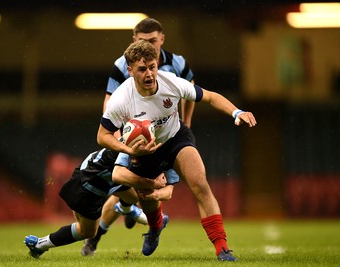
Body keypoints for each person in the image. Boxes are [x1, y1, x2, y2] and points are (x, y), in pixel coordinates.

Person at [97, 40, 257, 261]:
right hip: (145, 152)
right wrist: (128, 149)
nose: (149, 74)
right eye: (142, 69)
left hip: (175, 138)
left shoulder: (170, 82)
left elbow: (210, 96)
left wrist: (236, 112)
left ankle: (222, 248)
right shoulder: (121, 99)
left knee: (200, 182)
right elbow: (102, 136)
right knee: (148, 196)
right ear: (130, 70)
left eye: (152, 66)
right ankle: (154, 228)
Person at [82, 17, 196, 256]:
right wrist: (117, 135)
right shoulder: (122, 64)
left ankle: (130, 213)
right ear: (134, 41)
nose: (148, 46)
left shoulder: (176, 63)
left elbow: (191, 90)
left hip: (167, 134)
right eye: (143, 41)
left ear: (162, 40)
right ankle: (101, 234)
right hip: (132, 135)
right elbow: (109, 100)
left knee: (134, 190)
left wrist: (186, 123)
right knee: (121, 186)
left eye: (153, 41)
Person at [24, 147, 177, 258]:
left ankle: (129, 210)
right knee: (87, 232)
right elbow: (120, 177)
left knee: (132, 197)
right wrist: (153, 184)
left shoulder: (130, 146)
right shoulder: (129, 157)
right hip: (88, 188)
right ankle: (39, 244)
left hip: (97, 176)